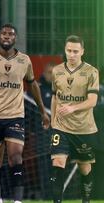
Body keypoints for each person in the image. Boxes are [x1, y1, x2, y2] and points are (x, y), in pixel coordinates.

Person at [0, 24, 50, 203]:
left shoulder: (24, 60)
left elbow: (33, 84)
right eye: (3, 33)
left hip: (15, 116)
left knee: (16, 156)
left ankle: (17, 201)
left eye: (10, 34)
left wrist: (43, 111)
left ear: (15, 38)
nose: (6, 36)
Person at [50, 35, 99, 203]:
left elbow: (92, 101)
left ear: (82, 52)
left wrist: (72, 108)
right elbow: (55, 97)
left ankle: (86, 200)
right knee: (57, 163)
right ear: (65, 50)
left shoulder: (91, 72)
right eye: (69, 51)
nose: (71, 54)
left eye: (75, 51)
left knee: (85, 168)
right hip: (61, 127)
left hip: (84, 129)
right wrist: (53, 120)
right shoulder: (57, 70)